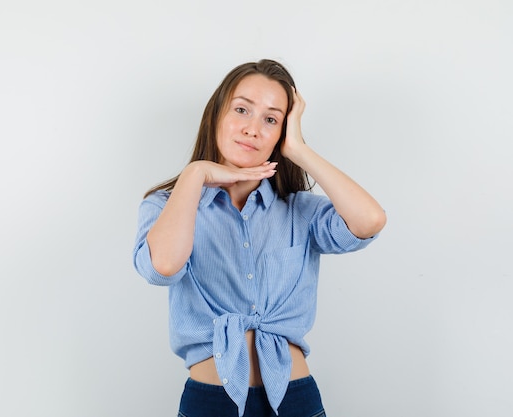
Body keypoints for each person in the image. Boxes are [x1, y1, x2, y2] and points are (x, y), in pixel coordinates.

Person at [132, 59, 386, 417]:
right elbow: (164, 267)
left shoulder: (299, 210)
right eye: (241, 110)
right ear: (216, 115)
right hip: (210, 402)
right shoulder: (164, 206)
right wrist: (196, 173)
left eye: (271, 119)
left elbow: (370, 221)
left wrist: (298, 149)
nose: (252, 129)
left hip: (295, 400)